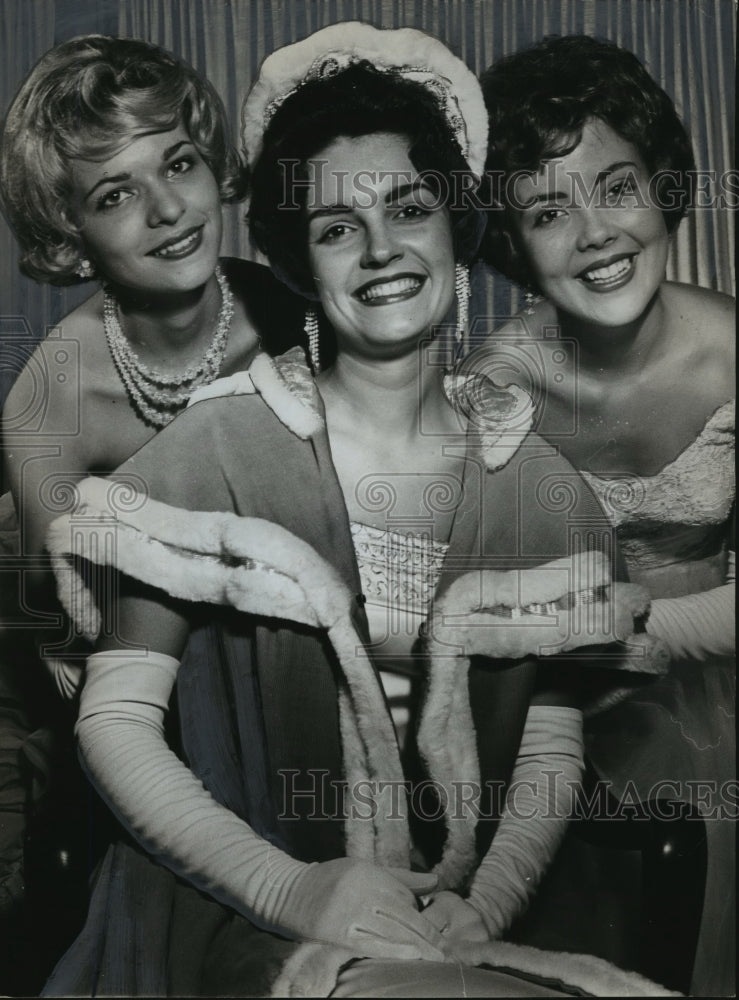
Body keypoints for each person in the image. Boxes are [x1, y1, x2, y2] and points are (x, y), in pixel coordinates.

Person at [42, 24, 671, 998]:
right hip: (237, 918)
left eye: (407, 208)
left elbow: (551, 739)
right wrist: (292, 891)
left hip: (468, 923)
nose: (380, 250)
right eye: (338, 227)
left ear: (453, 225)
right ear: (301, 255)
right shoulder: (216, 449)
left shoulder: (538, 482)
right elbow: (115, 721)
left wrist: (483, 910)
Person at [0, 34, 301, 987]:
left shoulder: (295, 322)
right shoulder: (52, 396)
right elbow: (67, 642)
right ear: (67, 233)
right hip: (104, 687)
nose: (169, 210)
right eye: (115, 193)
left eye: (178, 164)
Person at [477, 34, 735, 997]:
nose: (594, 232)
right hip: (554, 707)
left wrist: (612, 635)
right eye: (548, 209)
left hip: (716, 676)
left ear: (662, 186)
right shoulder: (492, 390)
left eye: (615, 187)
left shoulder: (734, 353)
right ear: (509, 238)